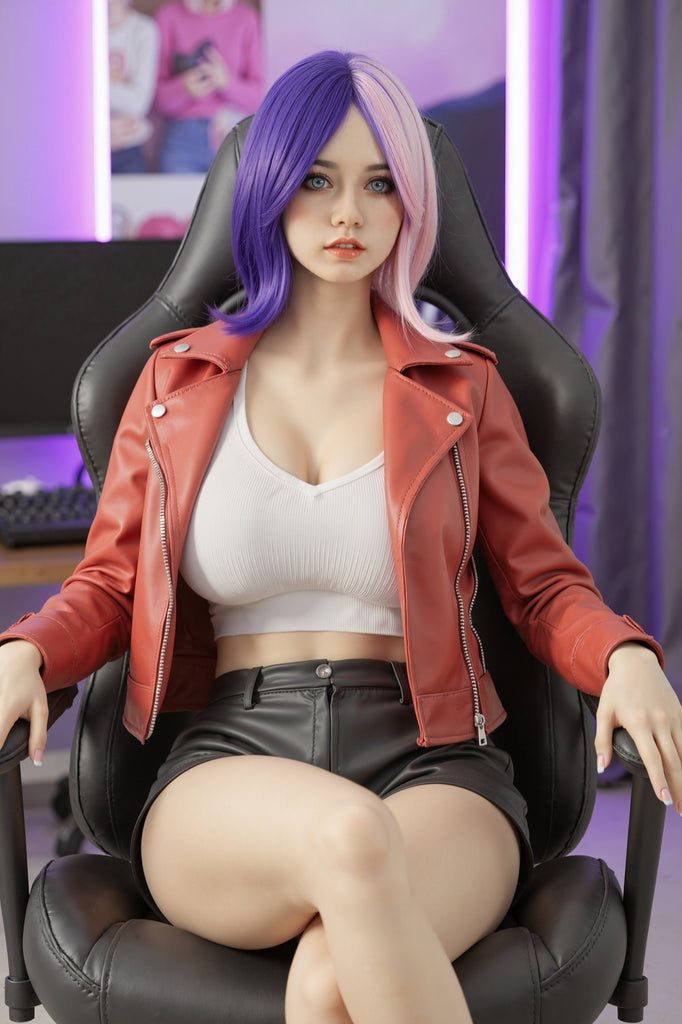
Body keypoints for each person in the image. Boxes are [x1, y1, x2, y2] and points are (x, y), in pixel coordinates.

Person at [0, 51, 680, 1024]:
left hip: (436, 760)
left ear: (411, 205)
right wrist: (26, 648)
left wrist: (622, 655)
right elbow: (111, 585)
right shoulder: (175, 386)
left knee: (330, 984)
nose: (347, 212)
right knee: (350, 837)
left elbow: (541, 587)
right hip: (229, 759)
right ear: (271, 187)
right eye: (317, 180)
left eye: (379, 184)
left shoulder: (465, 386)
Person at [153, 0, 264, 173]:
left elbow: (258, 98)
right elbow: (157, 100)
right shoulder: (168, 16)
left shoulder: (246, 18)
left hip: (232, 135)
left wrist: (227, 83)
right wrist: (183, 88)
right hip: (181, 141)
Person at [108, 0, 160, 174]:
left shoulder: (144, 30)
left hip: (128, 143)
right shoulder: (73, 30)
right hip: (81, 142)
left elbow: (138, 103)